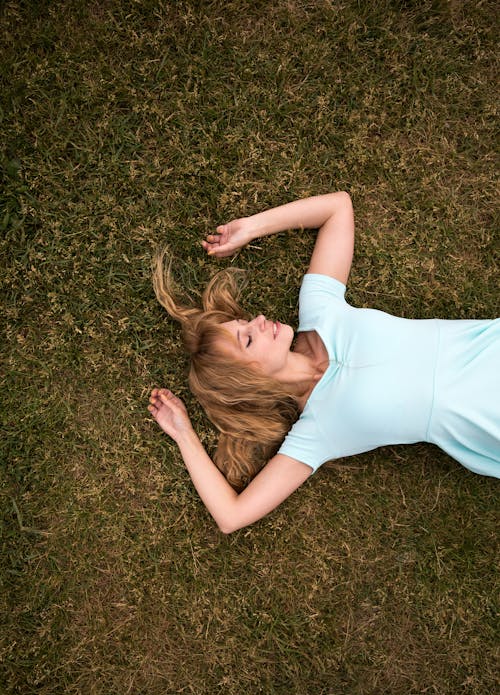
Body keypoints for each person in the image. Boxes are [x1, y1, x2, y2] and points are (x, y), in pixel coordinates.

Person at [148, 192, 499, 533]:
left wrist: (251, 228)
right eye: (249, 339)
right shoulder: (317, 432)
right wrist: (183, 433)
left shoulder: (321, 311)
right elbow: (232, 515)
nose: (257, 320)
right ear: (248, 378)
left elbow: (337, 208)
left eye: (244, 323)